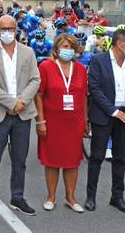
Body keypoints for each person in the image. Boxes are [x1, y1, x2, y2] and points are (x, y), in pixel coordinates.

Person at [0, 15, 40, 218]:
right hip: (0, 115)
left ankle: (17, 197)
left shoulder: (28, 52)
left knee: (19, 160)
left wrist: (21, 101)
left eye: (10, 28)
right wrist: (11, 103)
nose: (6, 32)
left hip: (22, 115)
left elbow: (35, 79)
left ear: (16, 30)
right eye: (3, 28)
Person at [84, 29, 125, 213]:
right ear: (120, 44)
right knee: (97, 157)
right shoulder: (98, 60)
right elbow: (94, 89)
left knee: (120, 158)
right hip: (104, 115)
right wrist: (113, 111)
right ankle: (90, 197)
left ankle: (116, 197)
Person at [35, 34, 88, 213]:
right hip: (52, 121)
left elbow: (84, 97)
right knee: (52, 160)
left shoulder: (80, 68)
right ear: (56, 49)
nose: (68, 49)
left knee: (72, 161)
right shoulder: (46, 67)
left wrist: (85, 119)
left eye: (71, 46)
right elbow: (39, 95)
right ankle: (51, 196)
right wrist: (40, 120)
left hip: (74, 121)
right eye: (64, 46)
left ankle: (70, 198)